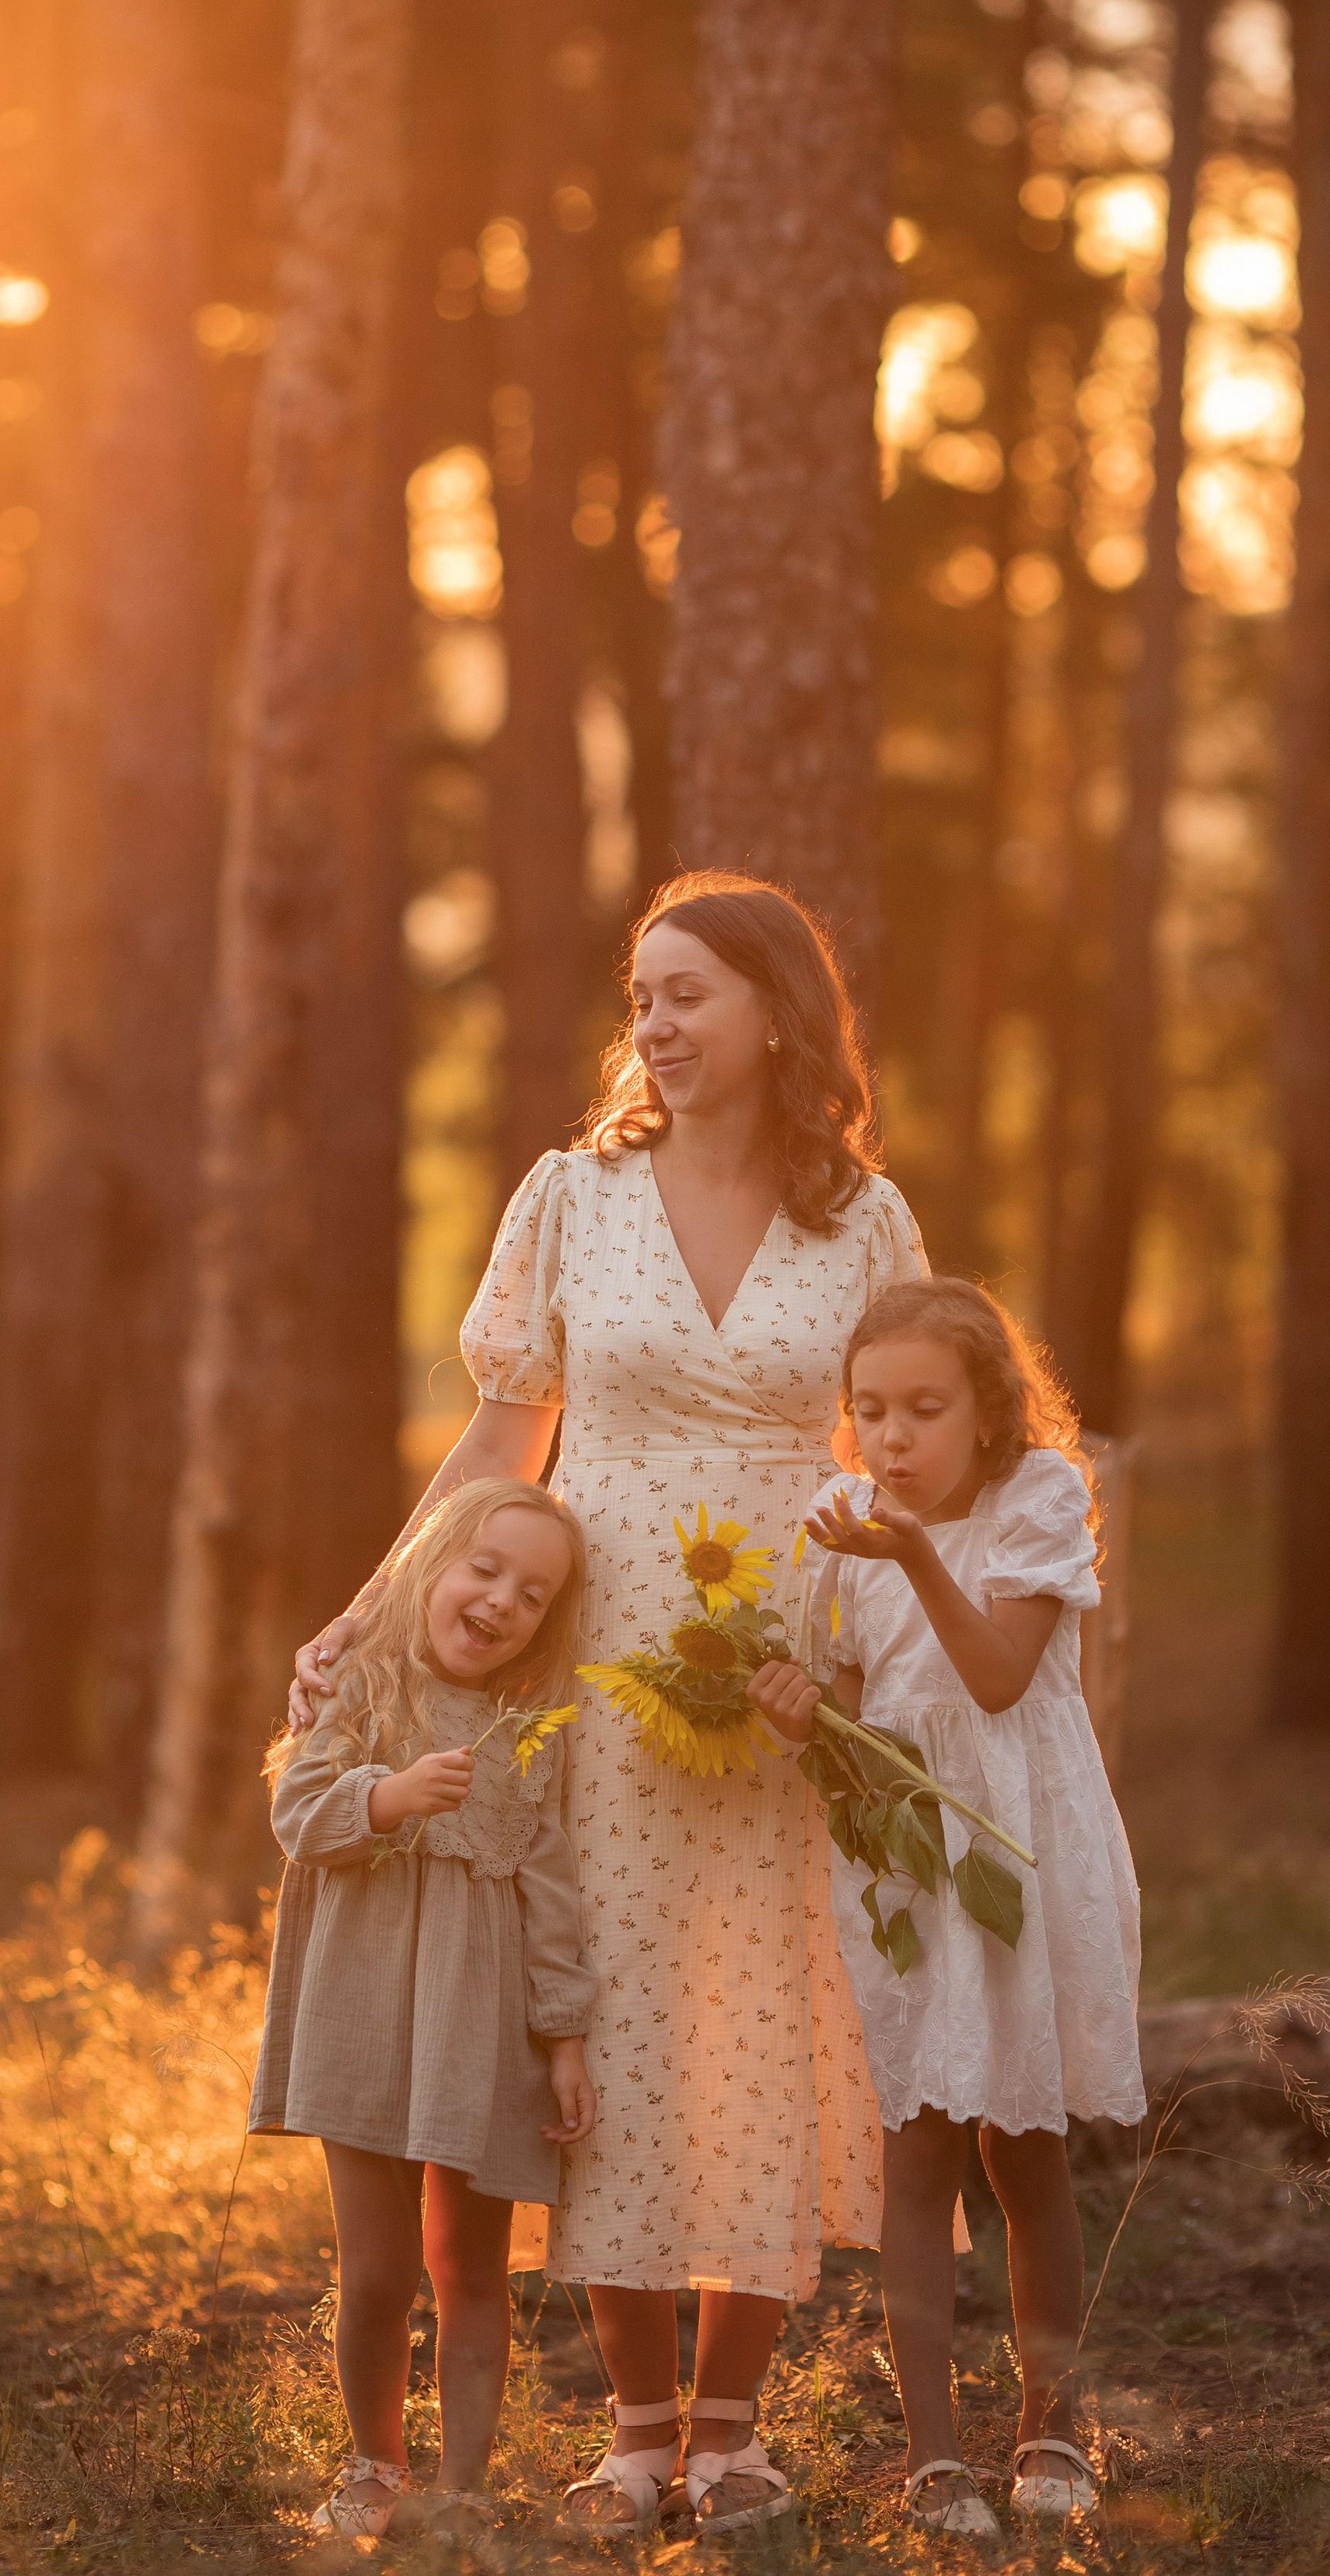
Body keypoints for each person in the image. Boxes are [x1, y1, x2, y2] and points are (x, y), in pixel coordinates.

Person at [290, 871, 926, 2529]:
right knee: (603, 2024)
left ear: (776, 1010)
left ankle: (731, 2422)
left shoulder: (862, 1222)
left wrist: (885, 1651)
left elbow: (908, 1452)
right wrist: (368, 1625)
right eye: (639, 995)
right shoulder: (573, 1193)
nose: (652, 1021)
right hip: (592, 1665)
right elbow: (504, 1439)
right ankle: (635, 2423)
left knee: (768, 2014)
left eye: (687, 992)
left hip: (784, 1671)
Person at [756, 1274, 1146, 2534]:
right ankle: (933, 2455)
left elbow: (991, 1680)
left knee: (1023, 2148)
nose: (894, 1439)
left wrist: (913, 1551)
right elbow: (866, 1736)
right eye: (870, 1410)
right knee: (916, 2147)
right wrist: (807, 1723)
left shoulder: (1038, 1502)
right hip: (910, 1862)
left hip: (1019, 1848)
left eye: (924, 1409)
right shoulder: (840, 1528)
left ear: (990, 1413)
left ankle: (1053, 2427)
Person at [252, 1479, 599, 2541]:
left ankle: (464, 2486)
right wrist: (389, 1795)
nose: (500, 1601)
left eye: (532, 1593)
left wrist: (567, 2036)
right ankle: (373, 2465)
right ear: (431, 1566)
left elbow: (551, 1891)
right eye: (485, 1569)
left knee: (471, 2268)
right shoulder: (364, 1685)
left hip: (474, 2032)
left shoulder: (530, 1730)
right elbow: (299, 1812)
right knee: (378, 2268)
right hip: (359, 2013)